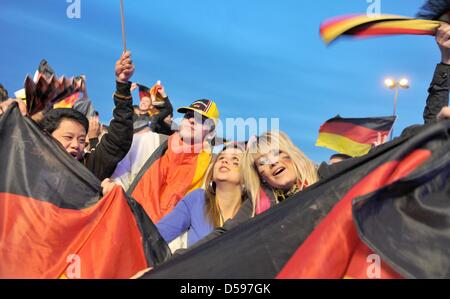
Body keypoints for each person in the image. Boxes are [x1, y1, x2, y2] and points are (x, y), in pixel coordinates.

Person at [34, 51, 134, 181]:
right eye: (68, 137)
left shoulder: (88, 168)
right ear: (46, 136)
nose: (76, 145)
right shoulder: (25, 166)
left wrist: (122, 84)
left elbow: (119, 137)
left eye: (81, 140)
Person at [129, 99, 220, 223]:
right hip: (129, 221)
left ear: (210, 133)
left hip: (166, 238)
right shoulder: (153, 142)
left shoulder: (213, 168)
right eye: (188, 115)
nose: (192, 120)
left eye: (201, 120)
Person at [156, 143, 246, 248]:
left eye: (235, 161)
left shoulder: (253, 210)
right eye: (221, 158)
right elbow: (157, 236)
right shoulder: (198, 200)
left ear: (246, 177)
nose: (224, 161)